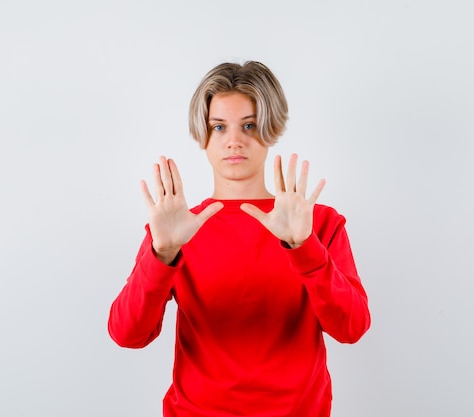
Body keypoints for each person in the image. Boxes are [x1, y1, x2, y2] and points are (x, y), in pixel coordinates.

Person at [108, 61, 371, 417]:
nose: (234, 141)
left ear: (271, 128)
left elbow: (351, 328)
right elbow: (127, 334)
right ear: (203, 135)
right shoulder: (176, 228)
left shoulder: (317, 223)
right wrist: (162, 253)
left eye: (249, 125)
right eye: (219, 127)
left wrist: (304, 248)